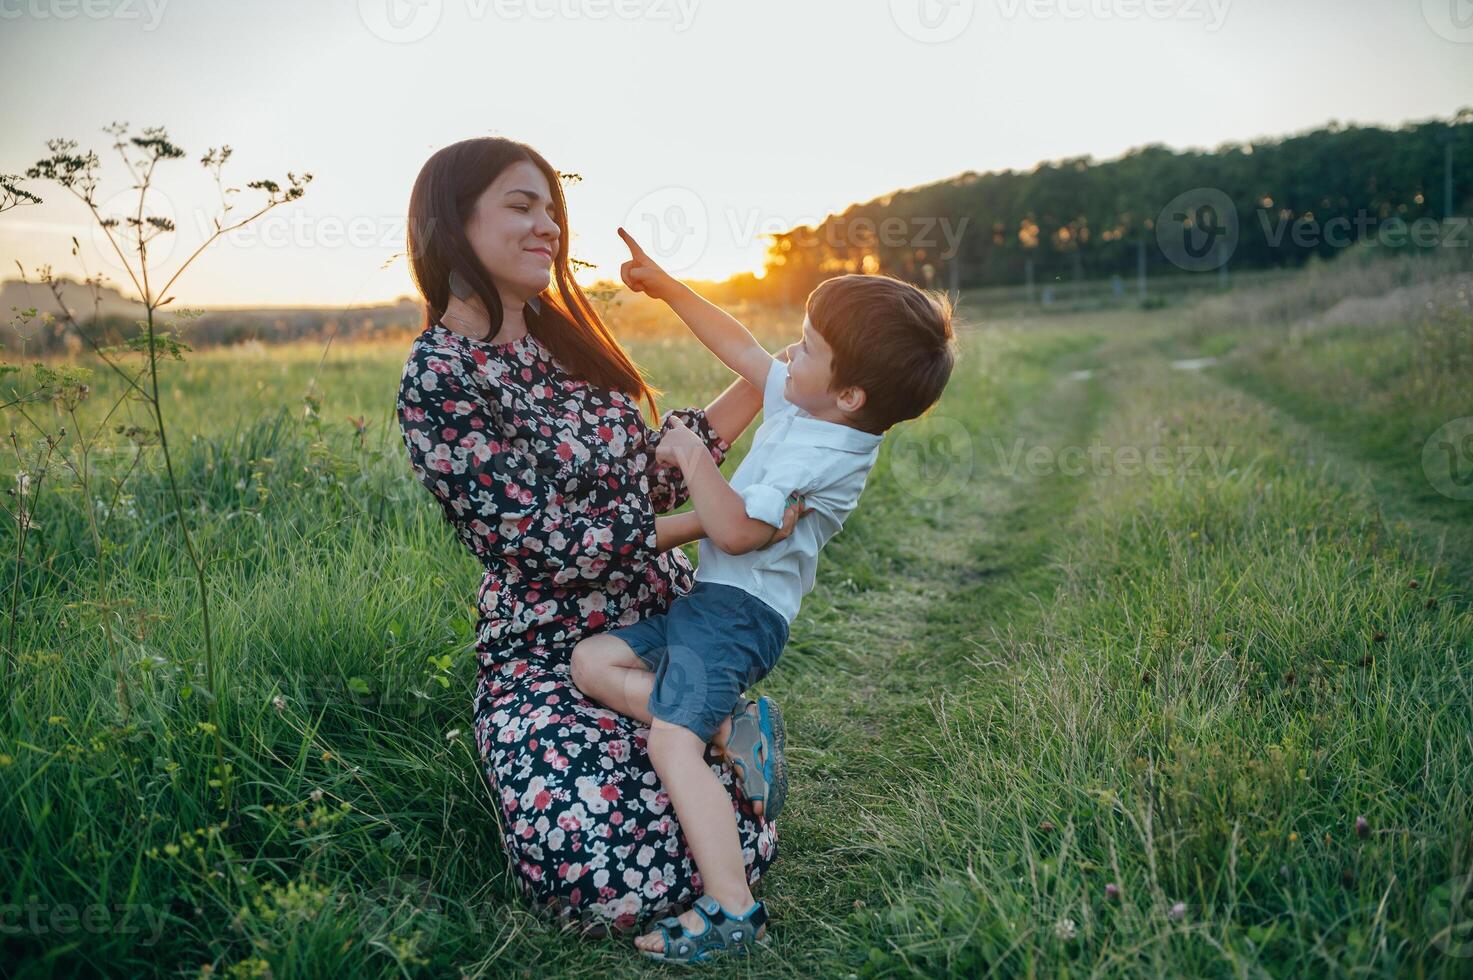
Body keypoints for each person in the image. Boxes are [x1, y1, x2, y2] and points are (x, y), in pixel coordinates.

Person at [395, 137, 808, 935]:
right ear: (451, 221)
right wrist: (721, 523)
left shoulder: (564, 339)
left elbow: (651, 475)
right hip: (547, 649)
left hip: (655, 621)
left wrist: (767, 382)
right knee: (602, 876)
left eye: (553, 209)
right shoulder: (441, 375)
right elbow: (539, 545)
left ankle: (722, 751)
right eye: (522, 206)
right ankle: (724, 738)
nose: (549, 225)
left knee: (694, 845)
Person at [570, 229, 958, 963]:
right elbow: (742, 349)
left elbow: (738, 532)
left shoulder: (824, 449)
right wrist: (667, 284)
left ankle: (732, 908)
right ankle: (730, 733)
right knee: (592, 661)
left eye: (809, 349)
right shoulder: (816, 407)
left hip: (740, 617)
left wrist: (688, 454)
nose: (790, 354)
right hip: (711, 602)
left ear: (849, 394)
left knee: (668, 743)